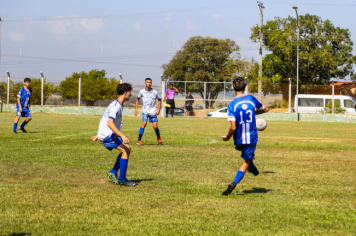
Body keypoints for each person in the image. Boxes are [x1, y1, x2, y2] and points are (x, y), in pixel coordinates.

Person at [220, 76, 268, 196]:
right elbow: (264, 109)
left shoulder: (232, 105)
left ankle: (254, 169)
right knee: (246, 161)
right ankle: (233, 184)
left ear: (233, 88)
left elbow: (233, 127)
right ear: (245, 88)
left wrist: (227, 137)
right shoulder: (251, 99)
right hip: (251, 136)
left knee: (246, 155)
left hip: (239, 137)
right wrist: (257, 111)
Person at [91, 83, 136, 187]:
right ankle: (122, 179)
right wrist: (123, 136)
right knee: (125, 150)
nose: (130, 94)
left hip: (106, 134)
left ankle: (113, 172)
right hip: (107, 136)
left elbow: (104, 118)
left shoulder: (117, 104)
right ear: (125, 93)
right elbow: (109, 123)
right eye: (129, 92)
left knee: (127, 149)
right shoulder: (115, 106)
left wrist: (98, 134)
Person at [135, 78, 163, 146]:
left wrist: (159, 109)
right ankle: (139, 140)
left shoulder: (155, 92)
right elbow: (137, 99)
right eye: (147, 82)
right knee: (144, 124)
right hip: (145, 112)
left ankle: (159, 139)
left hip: (153, 112)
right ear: (145, 83)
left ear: (151, 83)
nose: (149, 83)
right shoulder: (142, 91)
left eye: (150, 82)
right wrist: (136, 109)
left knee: (155, 127)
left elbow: (159, 100)